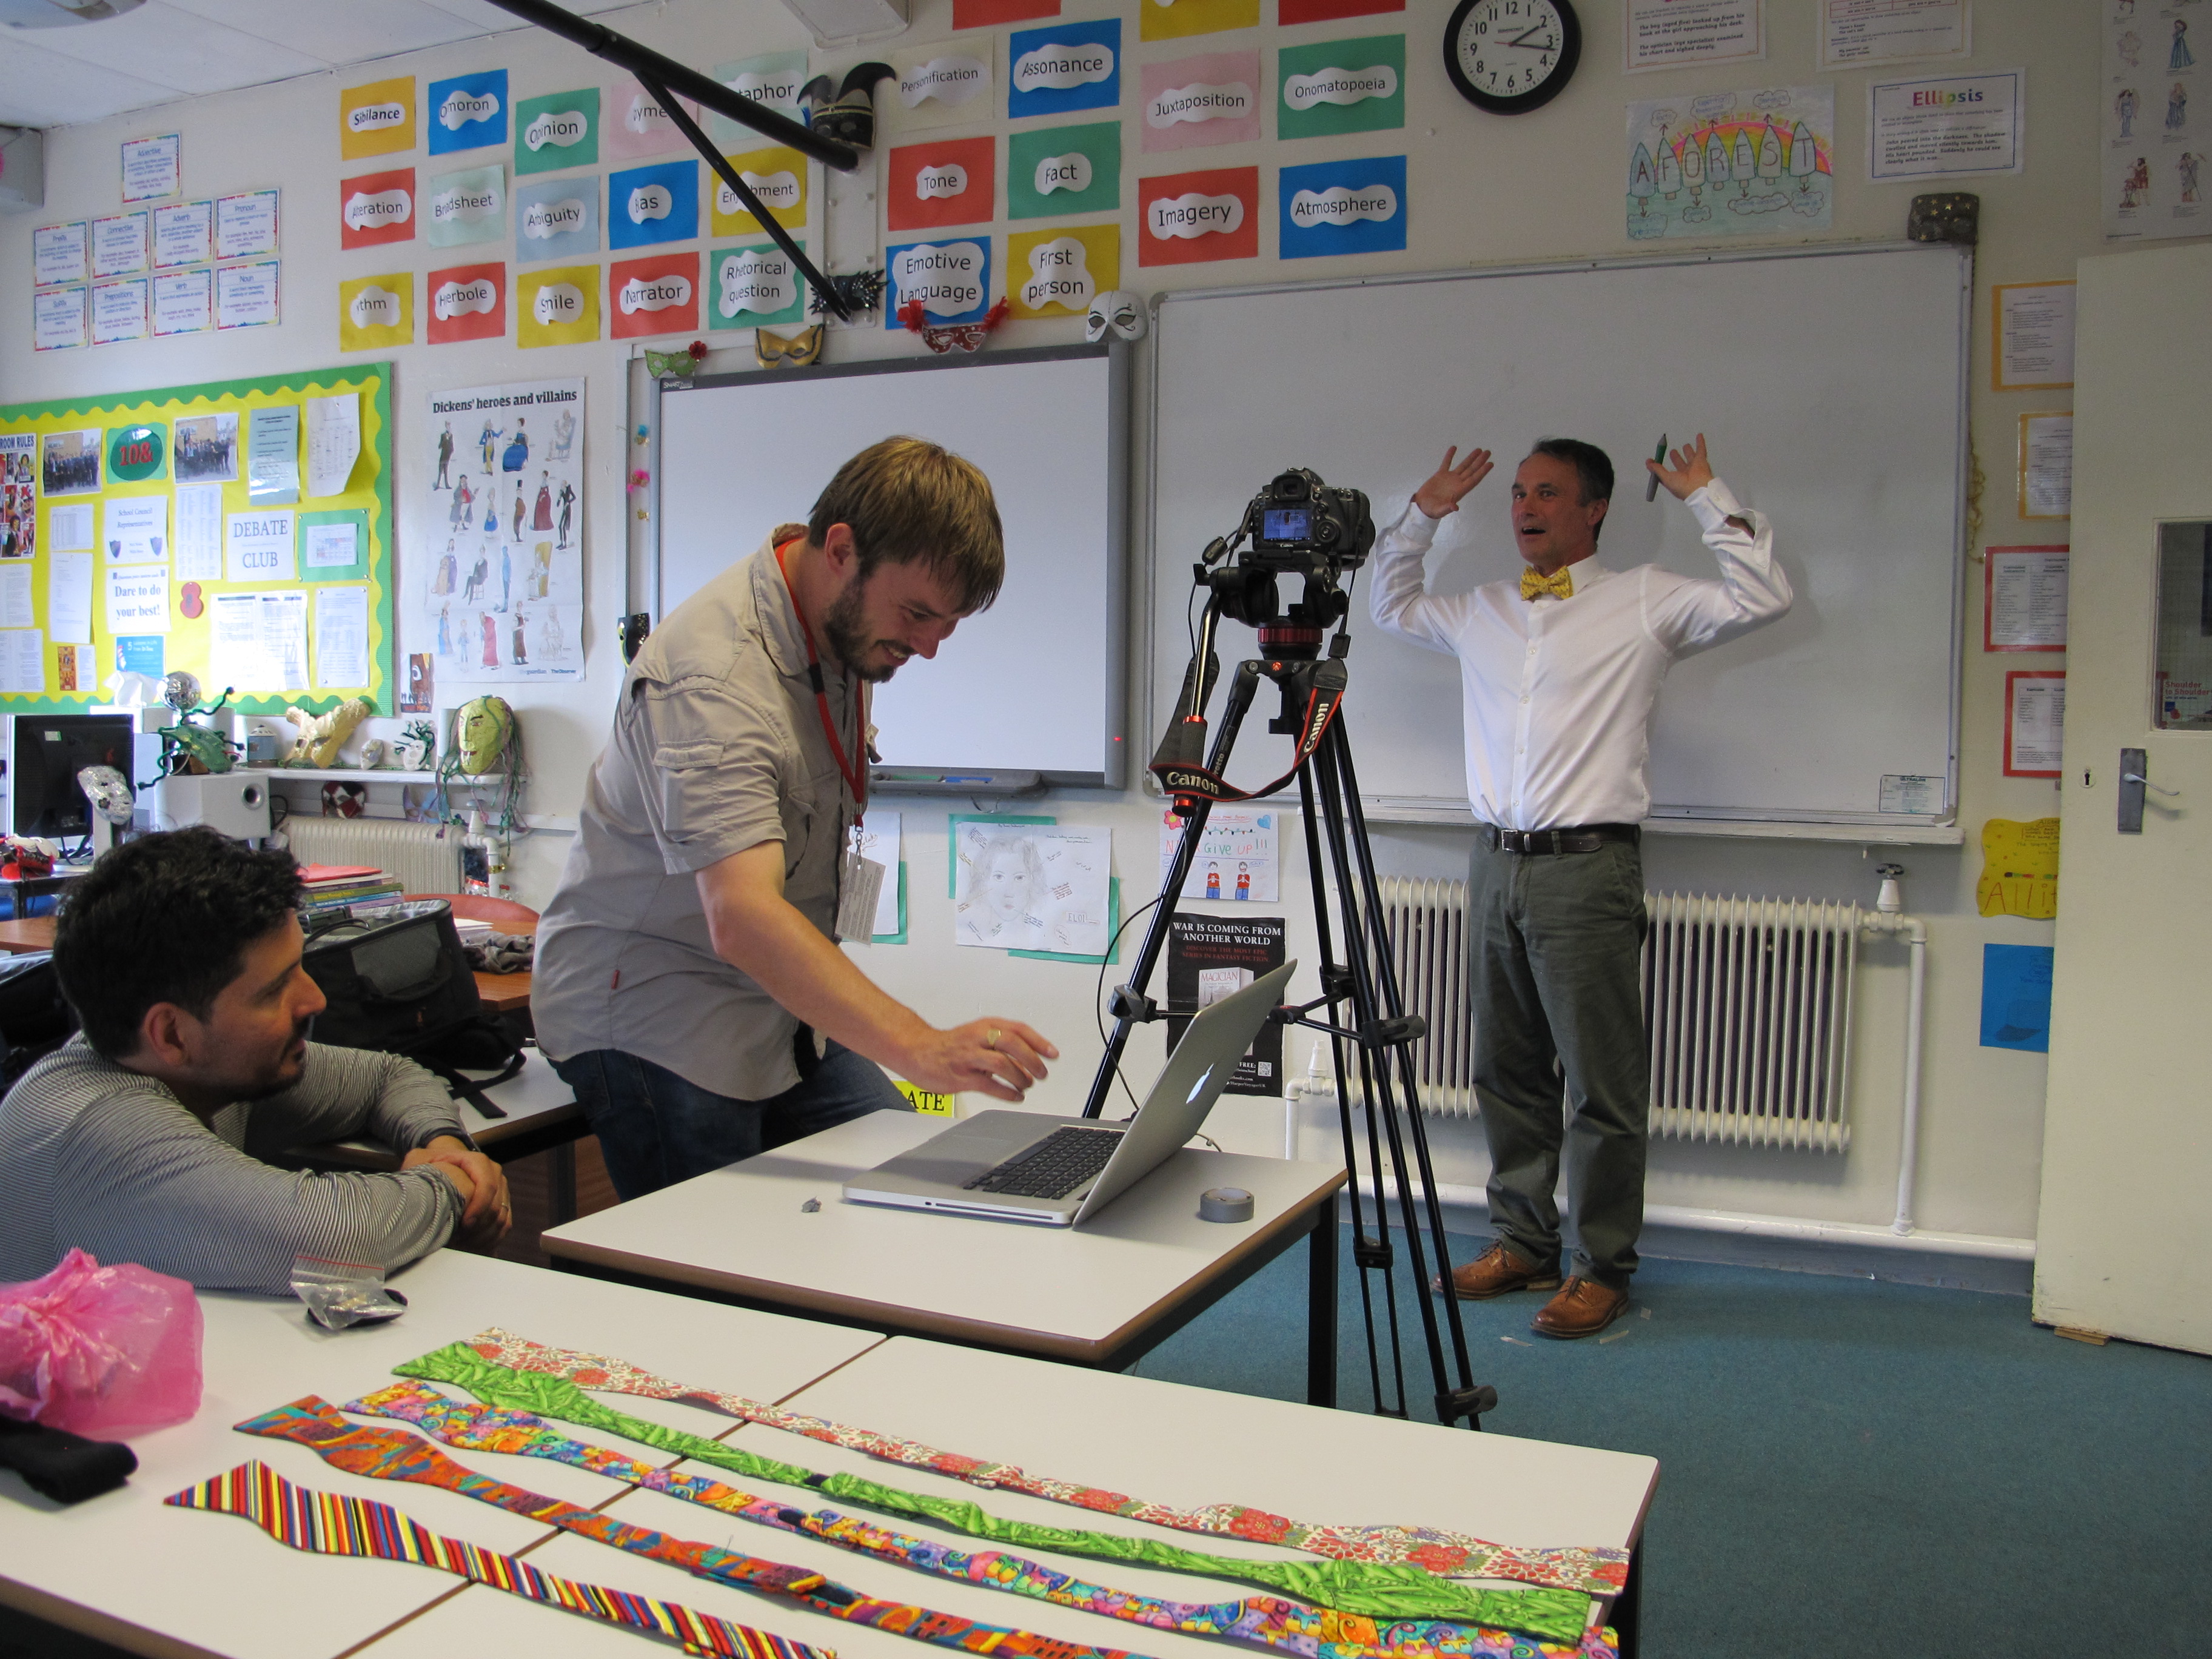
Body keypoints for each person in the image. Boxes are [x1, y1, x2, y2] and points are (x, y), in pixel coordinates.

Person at [534, 437, 1058, 1200]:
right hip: (657, 1010)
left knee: (901, 1197)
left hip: (770, 1006)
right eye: (916, 615)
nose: (927, 647)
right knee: (730, 1284)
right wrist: (920, 1045)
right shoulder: (714, 679)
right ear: (842, 550)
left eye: (945, 624)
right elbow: (742, 918)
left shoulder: (835, 620)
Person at [1369, 434, 1791, 1338]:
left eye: (1548, 493)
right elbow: (1388, 603)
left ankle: (1603, 1266)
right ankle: (1523, 1243)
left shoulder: (1644, 599)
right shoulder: (1482, 608)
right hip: (1494, 863)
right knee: (1505, 1069)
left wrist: (1706, 495)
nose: (1525, 508)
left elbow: (1764, 593)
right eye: (1519, 494)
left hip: (1589, 866)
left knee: (1600, 1084)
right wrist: (1425, 512)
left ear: (1593, 509)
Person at [0, 828, 509, 1293]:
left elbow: (387, 1076)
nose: (314, 1000)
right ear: (172, 1033)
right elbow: (328, 1238)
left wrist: (440, 1144)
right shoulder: (95, 1127)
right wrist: (452, 1184)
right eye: (274, 990)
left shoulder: (198, 1067)